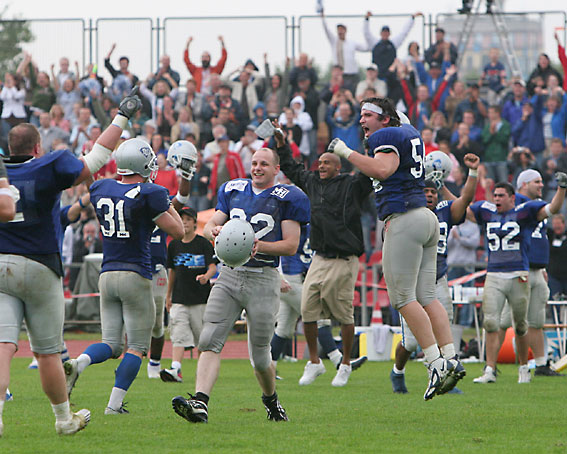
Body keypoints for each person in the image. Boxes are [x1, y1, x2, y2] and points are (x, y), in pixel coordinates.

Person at [0, 88, 143, 435]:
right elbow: (93, 161)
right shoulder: (50, 163)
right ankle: (64, 419)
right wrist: (122, 116)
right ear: (37, 148)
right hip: (40, 266)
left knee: (3, 346)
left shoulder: (3, 175)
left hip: (2, 264)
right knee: (48, 353)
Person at [327, 97, 466, 400]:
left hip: (404, 218)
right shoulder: (411, 134)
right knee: (427, 296)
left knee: (403, 298)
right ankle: (451, 356)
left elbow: (384, 169)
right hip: (425, 218)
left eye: (367, 114)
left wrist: (345, 152)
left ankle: (435, 362)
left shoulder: (387, 136)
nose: (361, 121)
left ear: (386, 119)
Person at [171, 147, 309, 423]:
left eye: (264, 164)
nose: (257, 168)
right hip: (230, 275)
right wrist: (216, 232)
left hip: (263, 279)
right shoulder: (233, 189)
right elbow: (209, 226)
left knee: (259, 355)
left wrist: (259, 246)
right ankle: (200, 402)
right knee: (209, 339)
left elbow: (291, 245)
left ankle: (271, 400)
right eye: (255, 163)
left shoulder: (289, 196)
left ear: (276, 169)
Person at [64, 110, 186, 414]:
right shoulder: (151, 191)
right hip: (136, 273)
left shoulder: (101, 187)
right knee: (135, 347)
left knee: (111, 344)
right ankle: (113, 405)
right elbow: (179, 231)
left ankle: (79, 362)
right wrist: (164, 203)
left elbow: (93, 181)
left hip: (106, 274)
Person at [273, 124, 373, 388]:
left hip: (345, 257)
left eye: (327, 162)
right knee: (307, 309)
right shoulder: (312, 183)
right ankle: (315, 362)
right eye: (319, 162)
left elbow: (369, 172)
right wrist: (282, 145)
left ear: (339, 166)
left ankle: (346, 364)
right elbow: (292, 169)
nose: (322, 166)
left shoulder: (352, 185)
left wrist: (368, 145)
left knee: (343, 313)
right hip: (319, 257)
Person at [390, 153, 479, 394]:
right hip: (412, 281)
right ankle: (397, 371)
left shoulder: (444, 211)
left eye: (433, 192)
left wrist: (472, 173)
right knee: (410, 341)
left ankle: (444, 377)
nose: (429, 195)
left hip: (437, 279)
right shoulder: (408, 211)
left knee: (443, 331)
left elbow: (465, 200)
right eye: (425, 191)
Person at [469, 177, 566, 384]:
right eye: (494, 195)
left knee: (522, 325)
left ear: (512, 198)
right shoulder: (488, 212)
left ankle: (524, 367)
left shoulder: (524, 211)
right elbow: (460, 210)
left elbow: (553, 208)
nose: (496, 199)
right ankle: (490, 369)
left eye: (500, 196)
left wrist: (562, 188)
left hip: (518, 274)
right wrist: (471, 175)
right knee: (491, 322)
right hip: (494, 273)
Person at [497, 170, 563, 377]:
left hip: (536, 269)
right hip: (519, 270)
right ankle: (489, 363)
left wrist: (542, 268)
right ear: (524, 184)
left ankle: (542, 364)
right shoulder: (518, 204)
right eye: (537, 182)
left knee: (536, 320)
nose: (541, 186)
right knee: (505, 321)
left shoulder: (534, 206)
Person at [160, 207, 217, 382]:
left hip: (200, 299)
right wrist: (168, 296)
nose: (184, 222)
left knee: (202, 339)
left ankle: (203, 371)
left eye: (188, 219)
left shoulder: (203, 243)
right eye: (181, 219)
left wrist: (206, 277)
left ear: (194, 223)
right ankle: (175, 369)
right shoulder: (174, 245)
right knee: (178, 334)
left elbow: (213, 267)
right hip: (179, 299)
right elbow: (172, 272)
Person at [320, 9, 369, 89]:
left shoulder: (352, 42)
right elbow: (326, 30)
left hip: (352, 74)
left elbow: (366, 48)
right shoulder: (334, 41)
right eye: (338, 29)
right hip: (340, 75)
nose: (340, 31)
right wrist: (322, 18)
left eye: (342, 29)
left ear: (345, 31)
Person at [364, 11, 421, 78]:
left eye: (387, 32)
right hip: (377, 75)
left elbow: (404, 32)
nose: (385, 34)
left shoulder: (394, 43)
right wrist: (366, 19)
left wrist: (412, 18)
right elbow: (366, 33)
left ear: (389, 34)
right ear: (380, 33)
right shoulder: (374, 43)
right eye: (384, 32)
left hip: (391, 75)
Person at [547, 214, 567, 299]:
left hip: (565, 275)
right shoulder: (550, 236)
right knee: (554, 301)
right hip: (553, 276)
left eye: (559, 224)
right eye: (555, 224)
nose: (557, 226)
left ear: (564, 224)